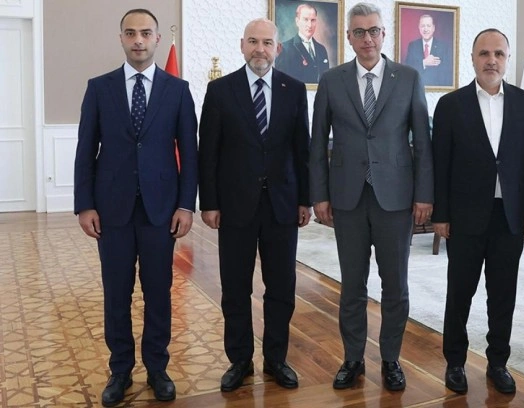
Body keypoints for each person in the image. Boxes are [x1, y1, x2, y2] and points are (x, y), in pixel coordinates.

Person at [73, 8, 198, 407]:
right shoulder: (99, 88)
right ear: (122, 39)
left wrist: (186, 205)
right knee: (117, 293)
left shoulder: (177, 90)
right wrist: (84, 205)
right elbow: (85, 150)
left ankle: (157, 368)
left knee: (158, 291)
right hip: (111, 211)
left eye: (145, 33)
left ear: (157, 39)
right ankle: (120, 369)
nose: (138, 40)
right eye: (131, 33)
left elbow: (189, 153)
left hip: (162, 210)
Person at [309, 2, 433, 392]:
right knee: (352, 285)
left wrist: (424, 195)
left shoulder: (409, 78)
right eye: (359, 32)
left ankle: (391, 359)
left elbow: (422, 143)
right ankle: (353, 359)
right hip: (347, 198)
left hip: (396, 199)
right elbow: (317, 144)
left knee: (395, 286)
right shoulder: (331, 80)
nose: (368, 39)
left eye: (374, 30)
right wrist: (319, 195)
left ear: (383, 34)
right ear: (349, 37)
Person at [431, 28, 524, 395]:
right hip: (464, 216)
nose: (491, 60)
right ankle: (455, 362)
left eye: (498, 53)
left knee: (503, 295)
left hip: (509, 216)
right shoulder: (451, 105)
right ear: (473, 58)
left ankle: (498, 363)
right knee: (459, 293)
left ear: (507, 59)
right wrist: (440, 215)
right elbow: (440, 164)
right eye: (484, 53)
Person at [198, 18, 311, 392]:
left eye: (266, 42)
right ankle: (240, 360)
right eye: (252, 41)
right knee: (235, 287)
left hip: (282, 205)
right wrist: (209, 203)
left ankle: (276, 359)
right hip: (234, 206)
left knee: (281, 287)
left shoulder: (294, 90)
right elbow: (207, 153)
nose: (259, 49)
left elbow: (302, 150)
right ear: (242, 45)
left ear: (278, 48)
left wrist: (305, 199)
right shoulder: (220, 90)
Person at [276, 3, 330, 83]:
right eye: (306, 19)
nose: (310, 25)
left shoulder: (321, 49)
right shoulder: (285, 48)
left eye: (313, 20)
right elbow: (280, 81)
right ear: (297, 21)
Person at [404, 14, 453, 87]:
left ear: (433, 28)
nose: (425, 29)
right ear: (419, 28)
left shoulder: (443, 47)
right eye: (423, 26)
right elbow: (407, 68)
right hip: (416, 87)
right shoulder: (413, 46)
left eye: (428, 26)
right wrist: (424, 63)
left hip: (437, 88)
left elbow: (447, 72)